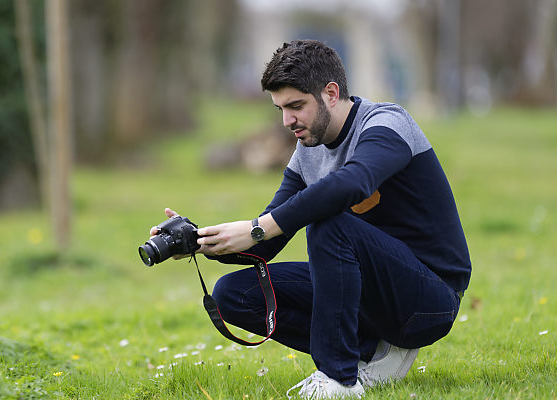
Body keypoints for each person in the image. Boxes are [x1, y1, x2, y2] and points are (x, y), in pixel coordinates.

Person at [151, 40, 471, 399]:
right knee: (233, 294)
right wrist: (199, 242)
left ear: (330, 93)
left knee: (329, 224)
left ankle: (339, 379)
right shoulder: (307, 153)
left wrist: (259, 227)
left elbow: (353, 182)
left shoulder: (387, 123)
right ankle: (371, 351)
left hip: (428, 300)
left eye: (296, 106)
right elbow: (266, 242)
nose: (287, 121)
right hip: (367, 293)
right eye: (280, 109)